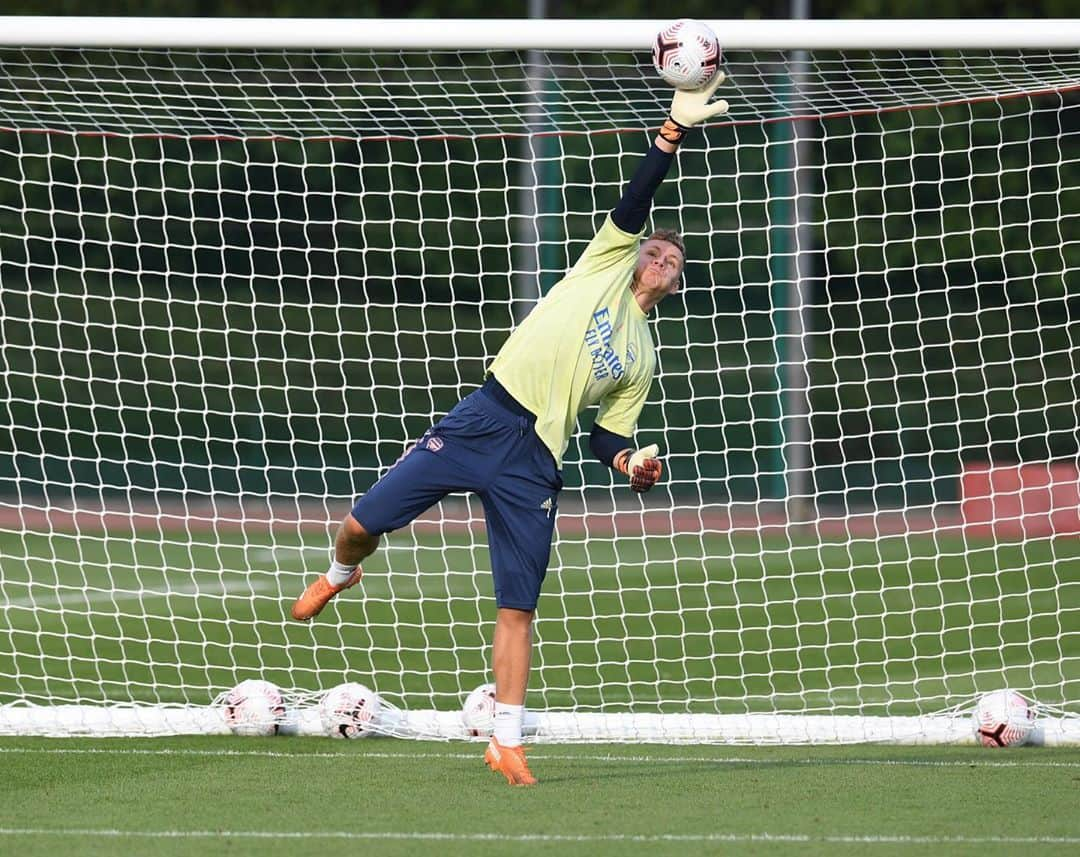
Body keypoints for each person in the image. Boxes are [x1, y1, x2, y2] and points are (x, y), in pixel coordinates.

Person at [290, 76, 730, 786]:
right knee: (362, 520)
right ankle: (340, 573)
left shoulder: (644, 357)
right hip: (484, 415)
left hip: (534, 460)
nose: (659, 258)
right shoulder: (604, 265)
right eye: (653, 250)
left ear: (676, 284)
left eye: (671, 261)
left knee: (518, 602)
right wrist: (671, 132)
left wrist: (630, 466)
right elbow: (637, 196)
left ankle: (506, 740)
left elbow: (606, 435)